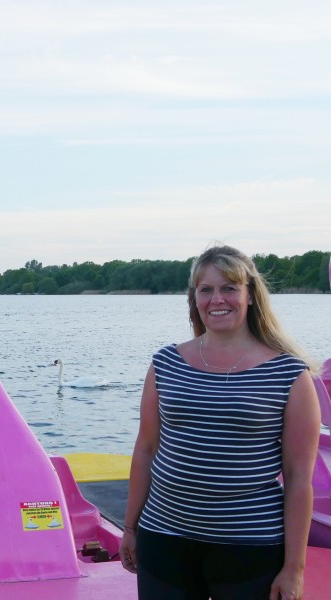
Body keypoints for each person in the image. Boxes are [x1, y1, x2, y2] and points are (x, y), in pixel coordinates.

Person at [119, 245, 320, 600]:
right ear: (194, 298)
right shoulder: (166, 363)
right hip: (164, 537)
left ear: (251, 296)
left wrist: (294, 568)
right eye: (206, 289)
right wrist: (131, 528)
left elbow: (299, 478)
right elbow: (146, 450)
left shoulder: (289, 374)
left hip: (250, 546)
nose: (217, 299)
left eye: (229, 287)